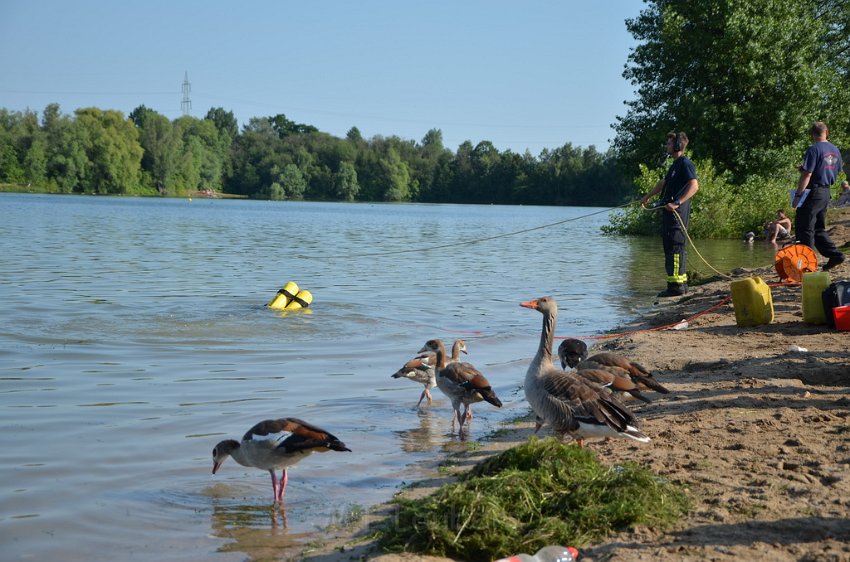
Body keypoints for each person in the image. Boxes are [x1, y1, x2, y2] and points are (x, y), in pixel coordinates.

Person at [640, 131, 700, 297]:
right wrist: (648, 196)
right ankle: (682, 284)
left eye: (668, 143)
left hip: (677, 214)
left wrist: (677, 203)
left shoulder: (685, 163)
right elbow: (663, 183)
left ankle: (675, 287)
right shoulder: (675, 165)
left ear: (677, 146)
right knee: (674, 247)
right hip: (670, 214)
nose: (666, 146)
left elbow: (694, 186)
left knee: (675, 248)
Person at [792, 121, 845, 271]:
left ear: (812, 135)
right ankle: (835, 255)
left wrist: (798, 195)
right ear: (827, 133)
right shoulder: (835, 150)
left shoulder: (813, 149)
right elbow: (832, 169)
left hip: (813, 191)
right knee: (818, 228)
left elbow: (807, 174)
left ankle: (808, 264)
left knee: (804, 227)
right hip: (826, 191)